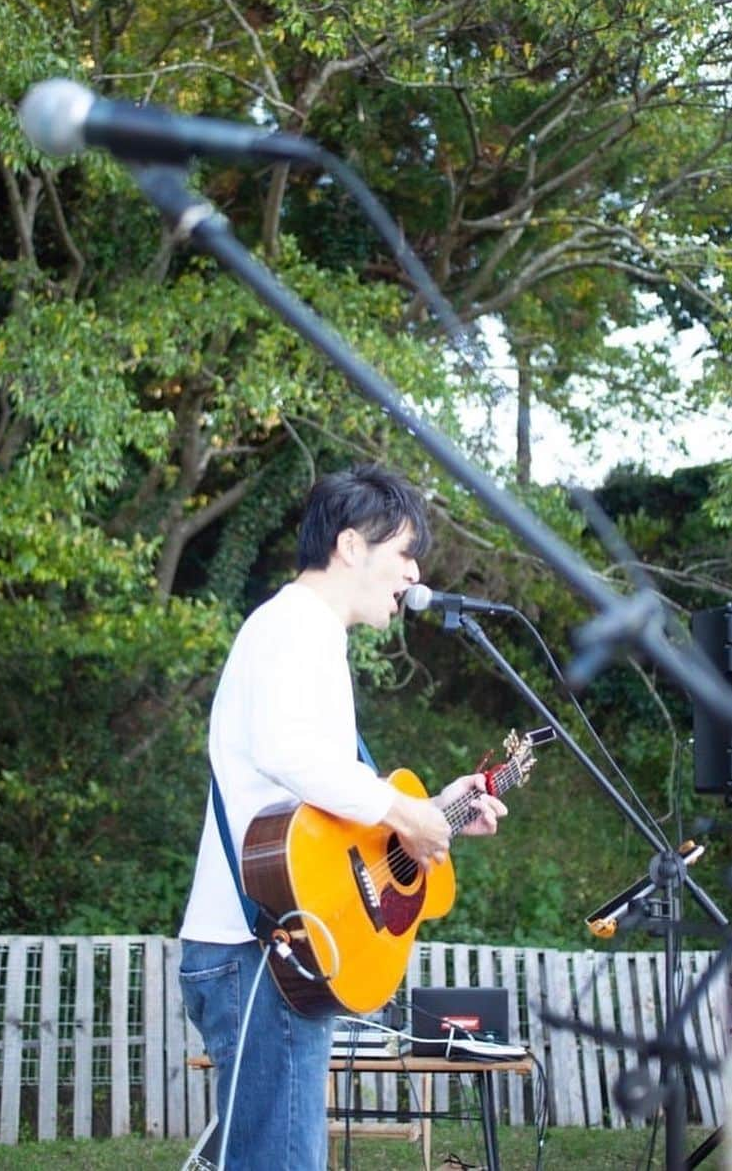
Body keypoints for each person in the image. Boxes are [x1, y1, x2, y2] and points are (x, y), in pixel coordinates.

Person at [179, 464, 508, 1170]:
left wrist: (434, 809)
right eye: (404, 553)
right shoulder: (296, 626)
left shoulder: (304, 633)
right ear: (352, 546)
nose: (414, 573)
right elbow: (290, 753)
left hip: (276, 952)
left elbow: (329, 810)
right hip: (259, 952)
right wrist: (402, 811)